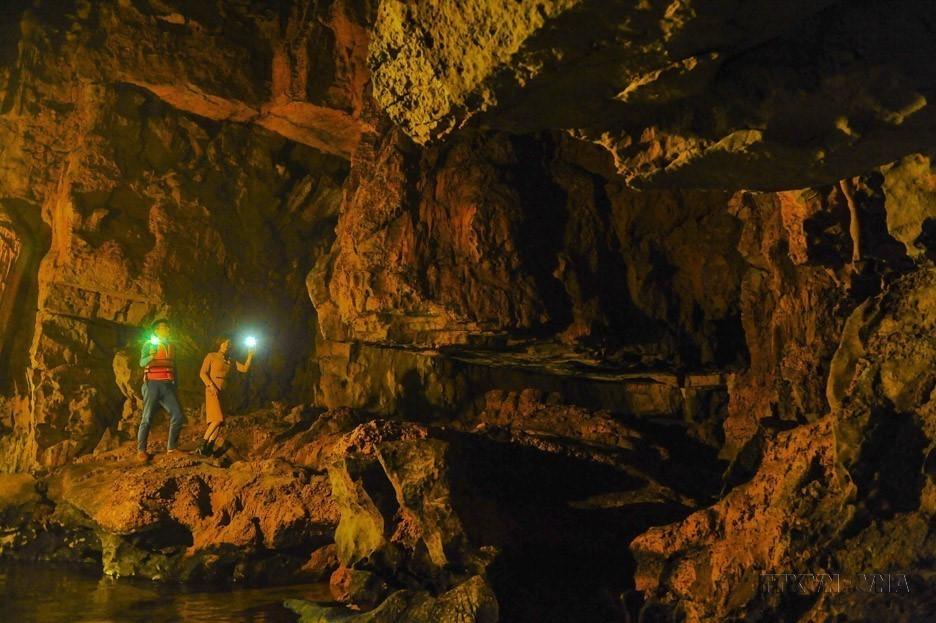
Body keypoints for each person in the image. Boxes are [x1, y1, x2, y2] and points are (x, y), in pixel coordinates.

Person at [196, 336, 255, 457]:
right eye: (224, 343)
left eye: (228, 343)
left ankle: (209, 447)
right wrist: (210, 385)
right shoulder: (211, 356)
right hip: (213, 389)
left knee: (220, 420)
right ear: (219, 344)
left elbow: (244, 369)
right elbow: (202, 373)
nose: (226, 345)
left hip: (224, 390)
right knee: (217, 418)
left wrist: (250, 355)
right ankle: (202, 444)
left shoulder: (230, 359)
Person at [138, 318, 185, 460]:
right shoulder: (149, 345)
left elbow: (174, 365)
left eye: (168, 327)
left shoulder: (172, 346)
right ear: (157, 330)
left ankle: (171, 448)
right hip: (152, 383)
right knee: (147, 417)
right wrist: (151, 355)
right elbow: (142, 363)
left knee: (178, 415)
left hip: (167, 385)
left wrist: (175, 384)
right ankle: (141, 450)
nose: (168, 329)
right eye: (165, 327)